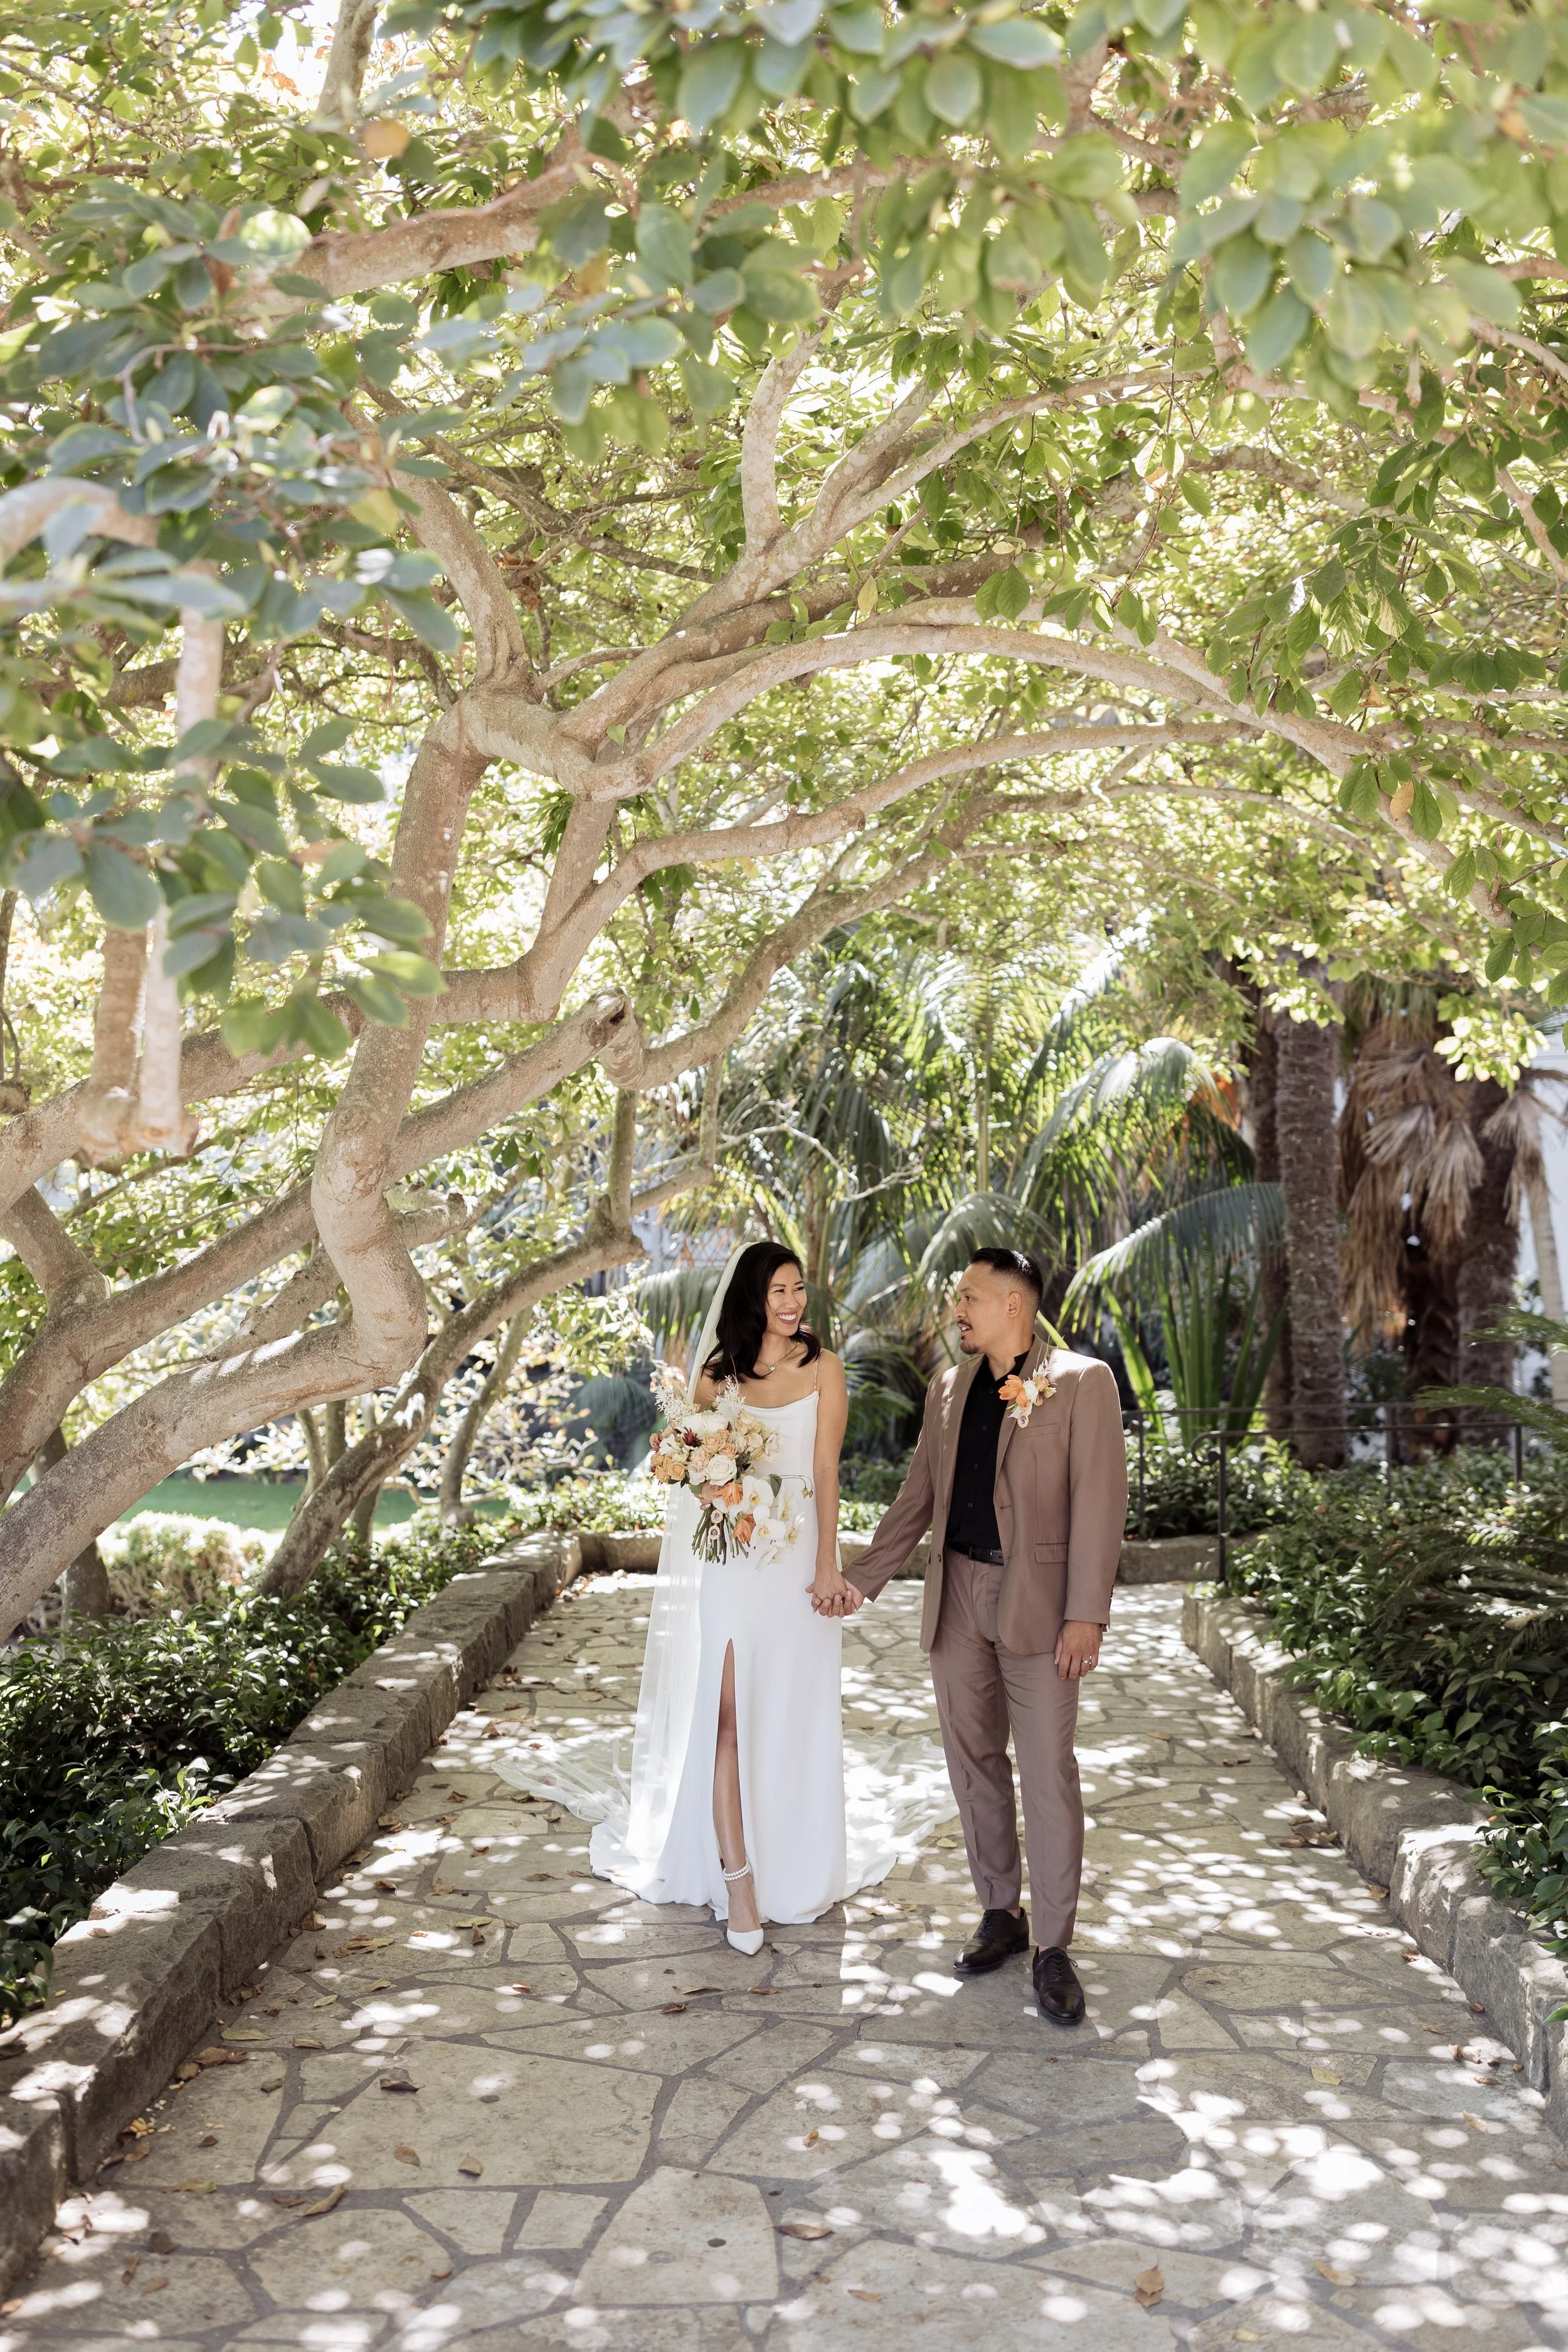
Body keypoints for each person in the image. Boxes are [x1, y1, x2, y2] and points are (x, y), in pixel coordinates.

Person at [492, 1242, 957, 1953]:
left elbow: (826, 1474)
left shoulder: (825, 1369)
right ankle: (736, 1881)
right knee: (728, 1717)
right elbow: (685, 1463)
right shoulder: (716, 1376)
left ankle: (796, 1865)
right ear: (751, 1297)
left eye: (799, 1288)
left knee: (792, 1715)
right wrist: (706, 1476)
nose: (793, 1301)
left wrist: (830, 1567)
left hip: (798, 1560)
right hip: (734, 1561)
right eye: (777, 1289)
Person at [843, 1247, 1128, 2025]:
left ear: (1015, 1305)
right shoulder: (946, 1385)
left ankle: (1055, 1948)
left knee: (1046, 1771)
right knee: (973, 1766)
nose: (956, 1308)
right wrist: (859, 1579)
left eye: (969, 1296)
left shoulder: (1080, 1382)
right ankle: (1002, 1913)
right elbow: (916, 1501)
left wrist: (1085, 1614)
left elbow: (1100, 1505)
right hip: (957, 1594)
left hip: (1038, 1601)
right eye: (956, 1296)